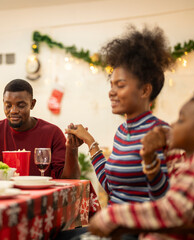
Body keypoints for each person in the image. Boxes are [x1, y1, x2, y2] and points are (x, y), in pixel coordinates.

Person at [65, 26, 174, 205]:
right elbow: (110, 187)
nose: (111, 92)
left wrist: (151, 162)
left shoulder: (161, 133)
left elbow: (165, 200)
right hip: (114, 223)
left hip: (135, 228)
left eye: (120, 85)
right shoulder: (122, 131)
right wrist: (89, 140)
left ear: (145, 90)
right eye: (112, 85)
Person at [88, 91, 194, 240]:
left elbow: (170, 211)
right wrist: (149, 157)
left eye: (181, 120)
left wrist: (111, 215)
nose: (173, 125)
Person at [0, 79, 79, 179]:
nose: (13, 111)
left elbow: (69, 179)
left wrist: (72, 149)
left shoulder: (52, 133)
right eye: (8, 105)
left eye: (21, 105)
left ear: (32, 104)